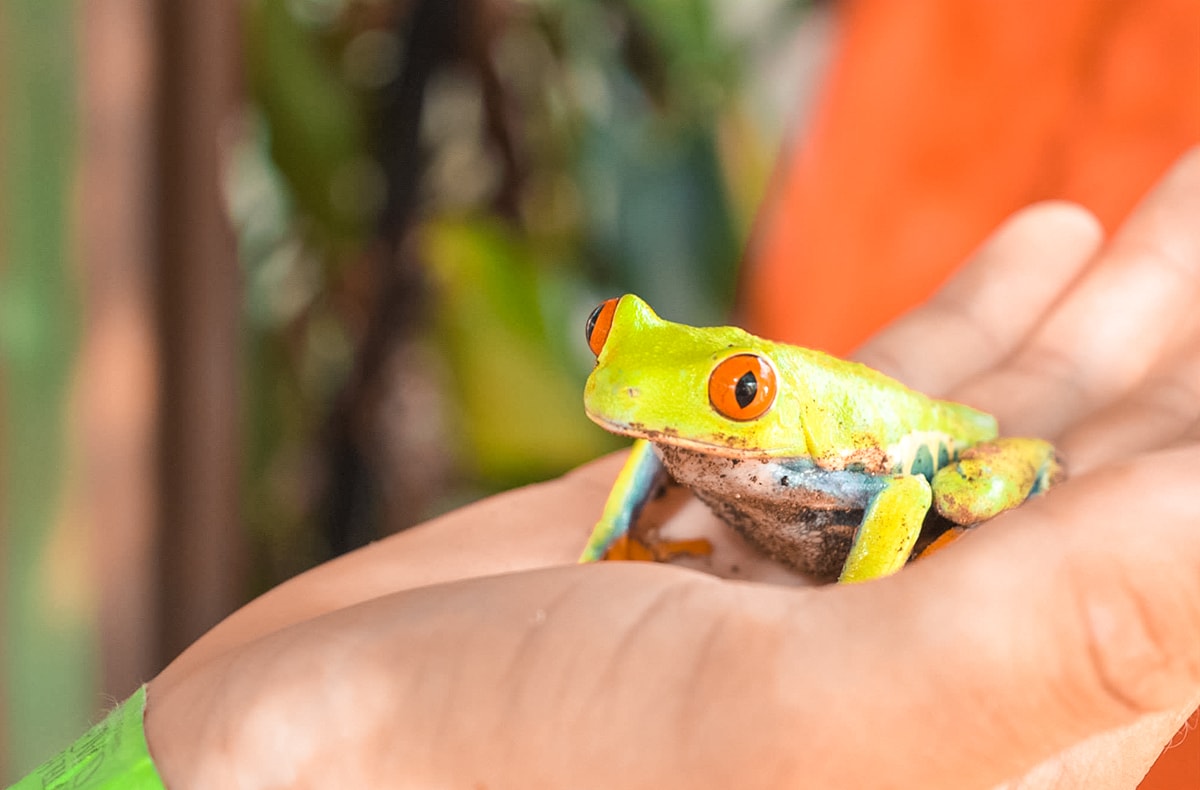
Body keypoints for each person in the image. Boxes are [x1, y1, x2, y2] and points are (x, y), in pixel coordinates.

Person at [20, 148, 1200, 788]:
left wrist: (863, 601)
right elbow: (653, 444)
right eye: (604, 337)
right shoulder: (668, 427)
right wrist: (612, 538)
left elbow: (893, 488)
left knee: (954, 489)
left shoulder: (837, 451)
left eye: (737, 395)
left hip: (920, 449)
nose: (619, 383)